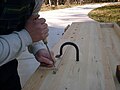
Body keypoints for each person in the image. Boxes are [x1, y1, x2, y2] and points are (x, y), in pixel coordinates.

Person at [0, 0, 54, 90]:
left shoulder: (36, 1)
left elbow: (30, 25)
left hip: (9, 66)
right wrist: (27, 36)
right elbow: (28, 33)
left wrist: (38, 48)